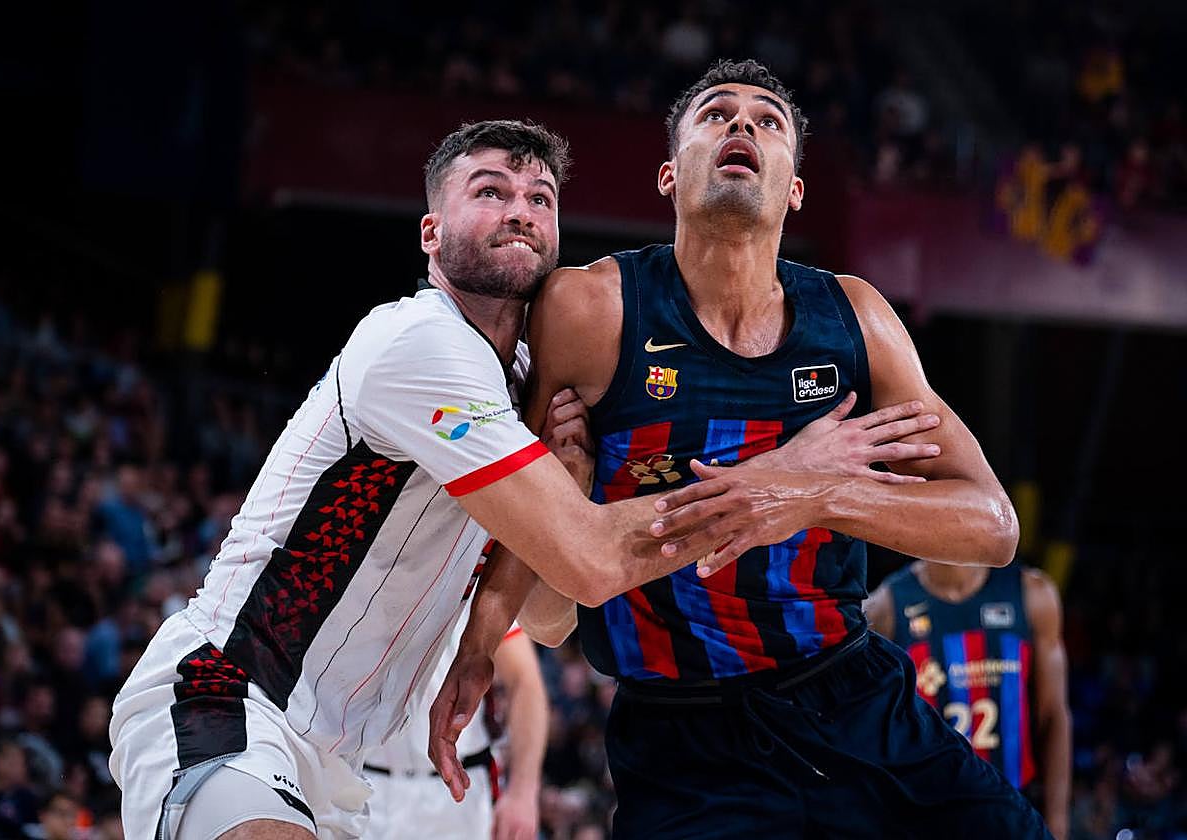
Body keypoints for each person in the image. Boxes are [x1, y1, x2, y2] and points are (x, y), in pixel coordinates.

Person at [431, 59, 1052, 838]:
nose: (742, 124)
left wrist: (818, 495)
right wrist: (482, 643)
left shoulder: (854, 317)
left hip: (853, 698)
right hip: (682, 740)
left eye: (768, 120)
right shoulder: (591, 308)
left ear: (795, 188)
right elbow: (541, 564)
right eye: (716, 113)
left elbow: (993, 525)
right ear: (669, 174)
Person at [107, 119, 764, 840]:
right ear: (431, 232)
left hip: (338, 763)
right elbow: (592, 560)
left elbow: (551, 619)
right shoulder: (420, 342)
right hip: (228, 694)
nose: (520, 211)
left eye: (540, 198)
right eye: (491, 191)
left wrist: (572, 485)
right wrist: (779, 484)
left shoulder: (527, 383)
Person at [864, 561, 1071, 840]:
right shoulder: (884, 608)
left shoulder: (1033, 593)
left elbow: (1054, 716)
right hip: (931, 819)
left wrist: (1057, 821)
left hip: (1016, 811)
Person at [363, 612, 546, 840]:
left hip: (458, 790)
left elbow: (525, 680)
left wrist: (523, 791)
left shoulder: (480, 594)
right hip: (367, 784)